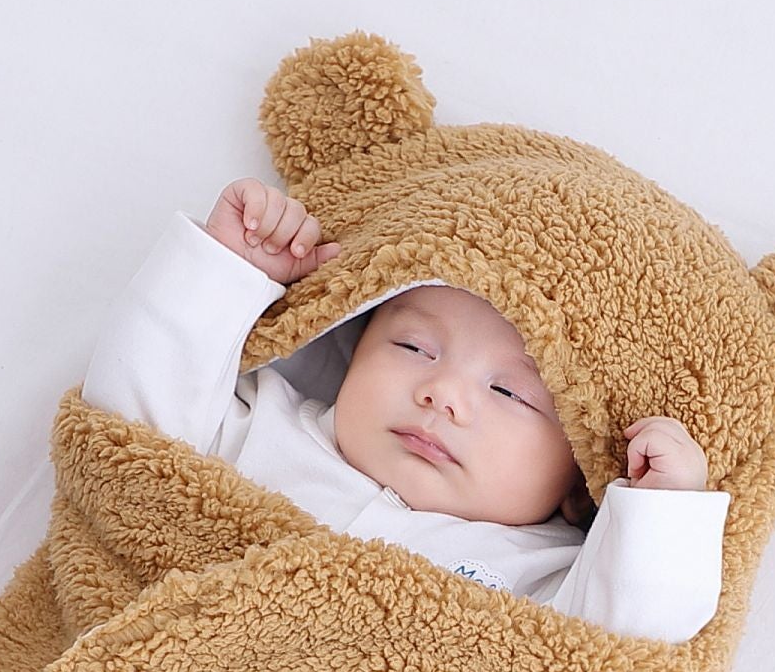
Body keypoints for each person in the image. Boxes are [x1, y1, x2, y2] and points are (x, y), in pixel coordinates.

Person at [79, 176, 731, 643]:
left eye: (508, 392)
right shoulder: (264, 426)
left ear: (577, 480)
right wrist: (226, 273)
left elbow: (629, 651)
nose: (442, 393)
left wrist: (663, 515)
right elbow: (128, 434)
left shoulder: (548, 580)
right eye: (414, 346)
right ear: (352, 346)